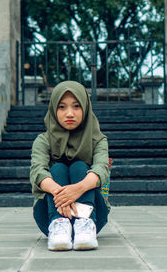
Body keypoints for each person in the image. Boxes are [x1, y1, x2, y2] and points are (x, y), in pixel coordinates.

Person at [30, 81, 110, 251]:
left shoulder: (98, 140)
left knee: (79, 166)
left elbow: (102, 169)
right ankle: (59, 224)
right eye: (62, 107)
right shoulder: (43, 141)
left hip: (94, 214)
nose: (69, 113)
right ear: (53, 109)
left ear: (85, 108)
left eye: (76, 106)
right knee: (57, 169)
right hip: (49, 214)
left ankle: (84, 224)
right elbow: (37, 172)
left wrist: (77, 189)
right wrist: (62, 196)